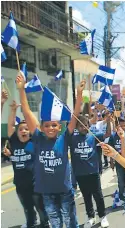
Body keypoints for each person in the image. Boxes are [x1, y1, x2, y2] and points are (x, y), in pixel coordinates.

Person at [16, 73, 82, 227]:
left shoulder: (64, 137)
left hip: (65, 191)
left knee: (71, 222)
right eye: (46, 125)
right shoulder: (38, 138)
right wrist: (21, 90)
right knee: (55, 223)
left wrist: (79, 95)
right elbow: (26, 112)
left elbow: (75, 116)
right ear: (41, 127)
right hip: (47, 193)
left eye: (54, 125)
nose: (50, 128)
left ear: (60, 127)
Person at [3, 100, 49, 228]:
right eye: (21, 129)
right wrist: (12, 110)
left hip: (35, 184)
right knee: (28, 208)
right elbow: (11, 125)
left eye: (26, 129)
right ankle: (31, 223)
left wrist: (25, 109)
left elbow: (36, 126)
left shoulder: (35, 142)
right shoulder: (15, 142)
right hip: (20, 185)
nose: (23, 131)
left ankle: (45, 223)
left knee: (40, 207)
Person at [68, 108, 111, 227]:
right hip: (80, 174)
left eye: (86, 125)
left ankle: (103, 216)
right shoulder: (72, 139)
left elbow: (107, 134)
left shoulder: (93, 136)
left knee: (98, 195)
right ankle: (91, 217)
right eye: (81, 125)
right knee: (86, 197)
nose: (84, 127)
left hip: (93, 172)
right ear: (76, 127)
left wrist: (108, 122)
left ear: (88, 125)